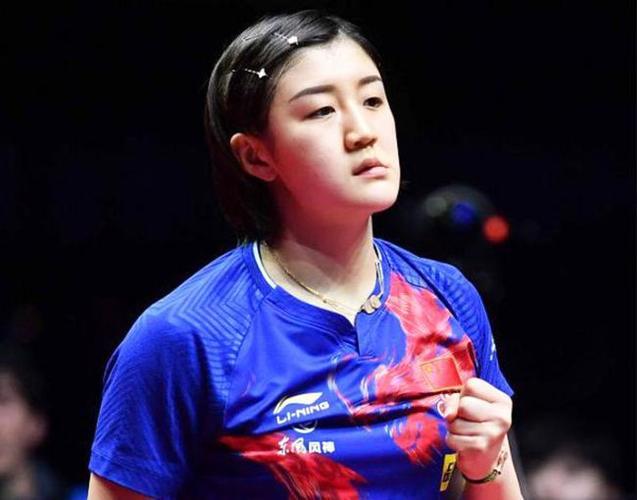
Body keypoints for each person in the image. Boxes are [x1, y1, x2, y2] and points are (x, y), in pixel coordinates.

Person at [88, 10, 523, 499]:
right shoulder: (184, 337)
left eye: (372, 100)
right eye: (322, 111)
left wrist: (485, 467)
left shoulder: (448, 299)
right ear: (256, 156)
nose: (363, 131)